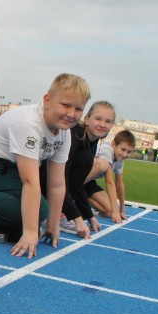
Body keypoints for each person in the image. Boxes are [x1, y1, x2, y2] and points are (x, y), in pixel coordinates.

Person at [0, 73, 91, 258]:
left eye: (78, 109)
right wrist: (32, 231)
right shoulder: (28, 124)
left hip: (10, 168)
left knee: (33, 212)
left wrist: (52, 224)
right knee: (38, 210)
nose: (71, 114)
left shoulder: (64, 132)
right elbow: (30, 182)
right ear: (47, 100)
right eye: (65, 105)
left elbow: (56, 183)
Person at [49, 100, 117, 239]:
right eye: (98, 119)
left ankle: (58, 211)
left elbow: (78, 184)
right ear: (87, 119)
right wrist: (77, 218)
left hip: (55, 188)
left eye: (108, 121)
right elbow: (61, 180)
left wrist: (89, 216)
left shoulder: (91, 142)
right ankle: (52, 213)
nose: (103, 125)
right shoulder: (73, 136)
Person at [84, 129, 136, 222]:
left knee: (109, 212)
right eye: (123, 149)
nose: (125, 154)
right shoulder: (107, 150)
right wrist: (116, 212)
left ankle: (80, 201)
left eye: (129, 152)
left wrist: (122, 210)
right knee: (102, 164)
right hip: (77, 176)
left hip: (88, 182)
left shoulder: (120, 159)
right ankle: (73, 192)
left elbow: (119, 184)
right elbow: (109, 182)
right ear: (113, 144)